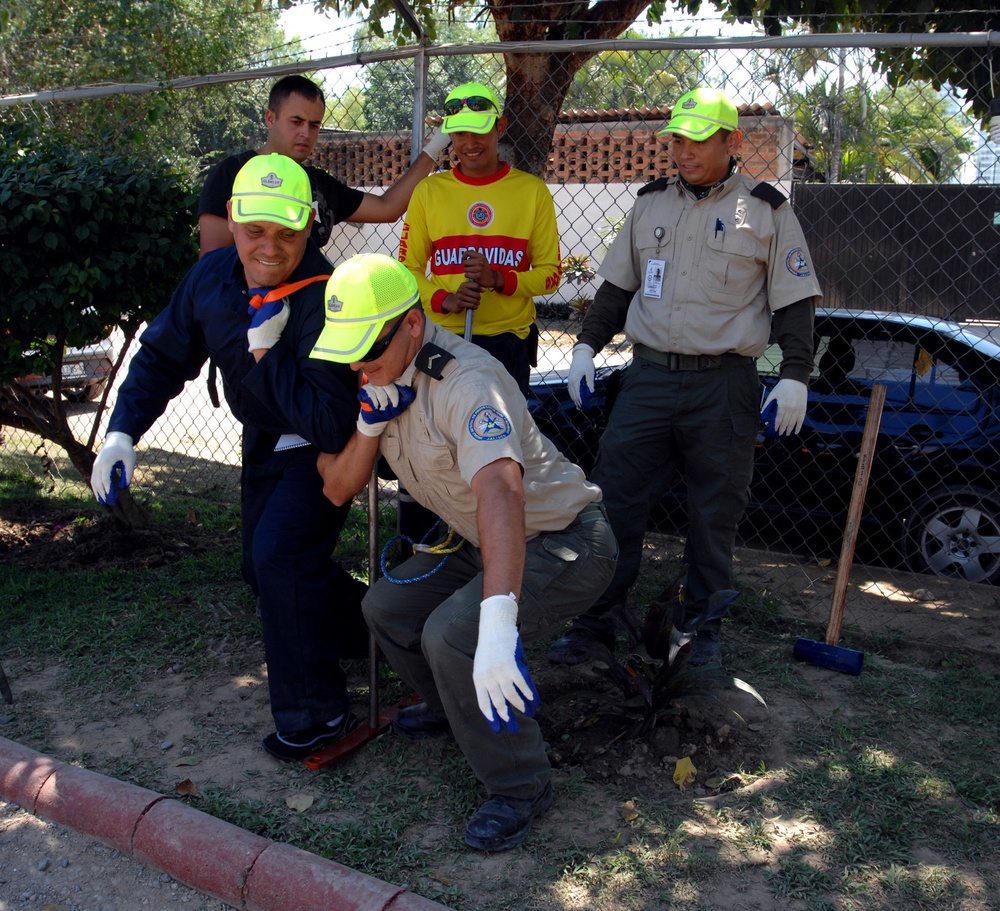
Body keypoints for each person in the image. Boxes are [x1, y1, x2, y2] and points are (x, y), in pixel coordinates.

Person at [310, 253, 617, 851]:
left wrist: (498, 622)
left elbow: (502, 492)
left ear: (414, 326)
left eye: (369, 352)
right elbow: (336, 486)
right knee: (385, 610)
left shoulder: (466, 382)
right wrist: (369, 429)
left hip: (565, 540)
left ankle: (521, 785)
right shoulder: (381, 379)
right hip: (484, 538)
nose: (359, 368)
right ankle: (459, 709)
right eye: (350, 352)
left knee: (455, 633)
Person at [91, 154, 366, 761]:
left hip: (321, 450)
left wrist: (268, 356)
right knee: (258, 568)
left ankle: (318, 715)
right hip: (263, 439)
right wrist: (122, 432)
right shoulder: (212, 278)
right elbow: (163, 356)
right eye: (255, 231)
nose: (270, 247)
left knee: (282, 556)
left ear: (312, 226)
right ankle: (379, 632)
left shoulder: (327, 295)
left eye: (287, 233)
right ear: (234, 222)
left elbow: (327, 421)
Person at [547, 86, 822, 669]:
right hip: (646, 378)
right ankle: (595, 622)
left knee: (714, 513)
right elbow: (617, 287)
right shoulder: (650, 205)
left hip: (723, 385)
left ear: (732, 141)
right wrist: (585, 347)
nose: (684, 150)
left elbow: (795, 303)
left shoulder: (768, 210)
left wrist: (795, 373)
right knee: (613, 501)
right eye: (677, 138)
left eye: (698, 139)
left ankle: (699, 631)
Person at [397, 81, 562, 397]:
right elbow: (408, 272)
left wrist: (498, 279)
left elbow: (551, 274)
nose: (469, 143)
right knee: (443, 436)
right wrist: (447, 300)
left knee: (500, 436)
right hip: (442, 337)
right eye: (459, 133)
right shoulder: (429, 192)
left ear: (500, 127)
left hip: (508, 341)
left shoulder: (532, 192)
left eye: (479, 131)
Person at [198, 75, 450, 256]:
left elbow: (388, 208)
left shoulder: (317, 183)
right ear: (270, 118)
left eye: (314, 124)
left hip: (309, 315)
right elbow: (211, 265)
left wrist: (436, 145)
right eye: (296, 122)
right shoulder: (233, 174)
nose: (305, 133)